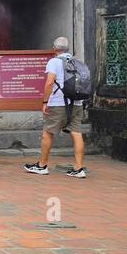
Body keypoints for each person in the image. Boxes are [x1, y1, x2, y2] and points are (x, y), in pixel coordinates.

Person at [26, 36, 87, 178]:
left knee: (47, 132)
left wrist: (44, 102)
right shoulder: (77, 62)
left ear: (54, 48)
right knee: (76, 133)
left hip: (58, 103)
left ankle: (42, 165)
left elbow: (49, 82)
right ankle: (78, 168)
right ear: (68, 49)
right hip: (77, 102)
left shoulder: (54, 61)